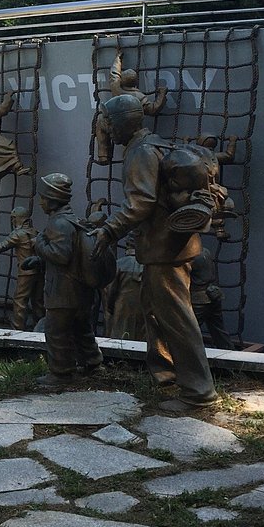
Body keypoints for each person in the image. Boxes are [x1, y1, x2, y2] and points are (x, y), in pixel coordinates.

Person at [92, 95, 218, 413]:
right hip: (168, 248)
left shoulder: (141, 152)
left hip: (165, 251)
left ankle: (198, 391)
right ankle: (166, 376)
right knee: (157, 313)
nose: (104, 129)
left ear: (121, 122)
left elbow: (141, 202)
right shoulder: (156, 144)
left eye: (107, 122)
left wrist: (108, 231)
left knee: (177, 318)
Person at [32, 173, 102, 386]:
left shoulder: (59, 223)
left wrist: (38, 243)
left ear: (52, 199)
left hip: (63, 291)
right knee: (81, 328)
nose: (40, 201)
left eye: (43, 198)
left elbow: (61, 256)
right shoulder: (72, 219)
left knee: (56, 331)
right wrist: (39, 260)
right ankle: (93, 363)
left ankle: (61, 373)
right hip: (78, 289)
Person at [0, 206, 43, 331]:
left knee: (20, 301)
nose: (12, 221)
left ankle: (18, 330)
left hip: (26, 273)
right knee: (38, 302)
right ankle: (41, 329)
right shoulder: (35, 232)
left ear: (17, 219)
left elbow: (1, 246)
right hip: (39, 271)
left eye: (13, 218)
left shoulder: (18, 234)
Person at [94, 52, 167, 165]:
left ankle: (103, 155)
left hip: (118, 127)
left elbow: (114, 74)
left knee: (100, 122)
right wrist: (162, 94)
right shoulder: (140, 96)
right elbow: (153, 109)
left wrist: (117, 59)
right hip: (134, 130)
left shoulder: (117, 89)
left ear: (122, 80)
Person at [190, 243, 234, 349]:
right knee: (219, 331)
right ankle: (230, 355)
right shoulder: (205, 251)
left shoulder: (190, 256)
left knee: (189, 332)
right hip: (213, 295)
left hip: (199, 299)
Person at [104, 234, 146, 341]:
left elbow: (110, 292)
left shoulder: (119, 265)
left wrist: (110, 307)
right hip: (143, 312)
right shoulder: (149, 268)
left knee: (120, 340)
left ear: (127, 245)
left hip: (121, 311)